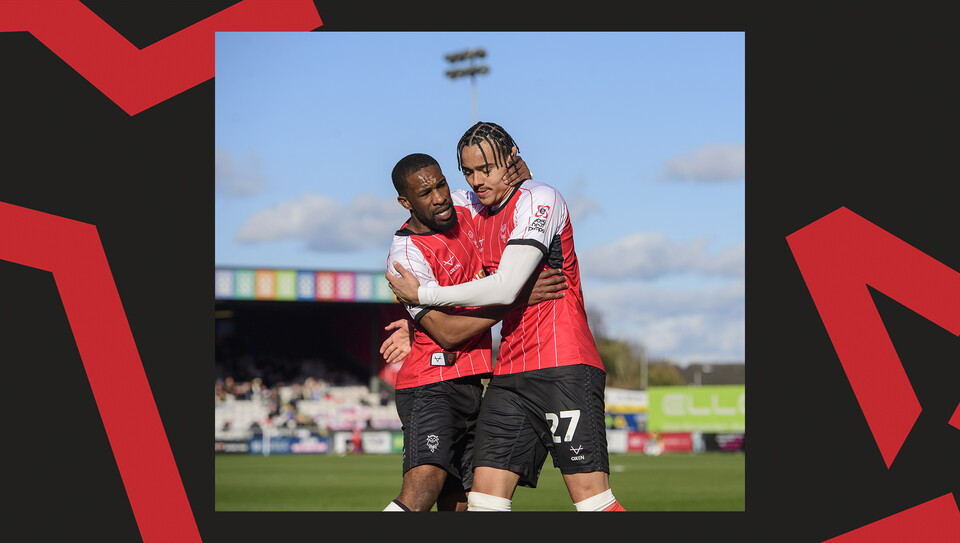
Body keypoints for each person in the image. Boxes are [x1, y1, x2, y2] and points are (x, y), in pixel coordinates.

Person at [386, 121, 626, 512]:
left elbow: (507, 286)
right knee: (482, 502)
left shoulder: (540, 198)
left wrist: (426, 297)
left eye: (487, 169)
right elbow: (481, 288)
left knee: (592, 503)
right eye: (469, 172)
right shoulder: (474, 213)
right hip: (508, 374)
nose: (477, 181)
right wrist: (418, 324)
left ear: (512, 160)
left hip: (561, 364)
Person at [382, 152, 567, 512]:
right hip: (430, 383)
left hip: (472, 382)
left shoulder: (464, 204)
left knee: (462, 503)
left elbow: (511, 193)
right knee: (425, 482)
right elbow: (448, 333)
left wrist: (523, 177)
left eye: (441, 185)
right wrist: (515, 299)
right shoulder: (404, 255)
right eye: (425, 193)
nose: (439, 197)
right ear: (405, 202)